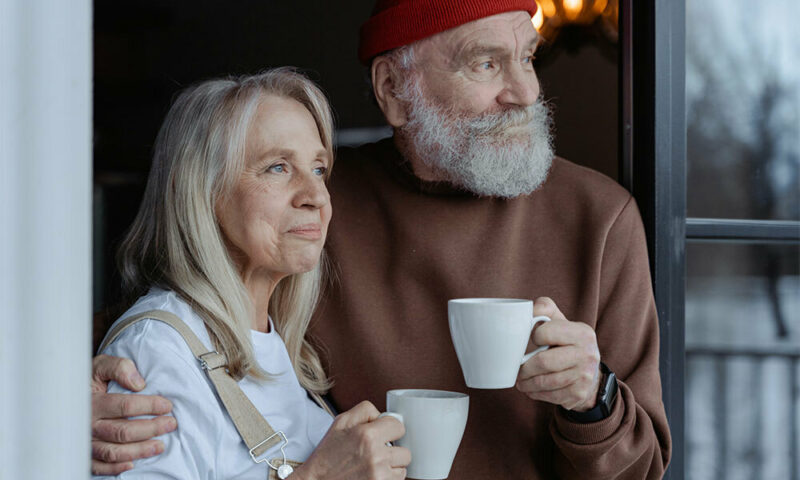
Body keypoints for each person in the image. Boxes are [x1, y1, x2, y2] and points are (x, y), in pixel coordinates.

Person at [92, 1, 672, 478]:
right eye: (486, 64)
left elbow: (645, 469)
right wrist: (71, 393)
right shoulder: (313, 210)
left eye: (526, 57)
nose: (525, 91)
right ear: (394, 88)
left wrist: (593, 400)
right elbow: (179, 315)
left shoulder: (600, 217)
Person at [91, 68, 410, 479]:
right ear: (201, 190)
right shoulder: (156, 353)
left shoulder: (279, 346)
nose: (316, 195)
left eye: (318, 168)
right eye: (278, 167)